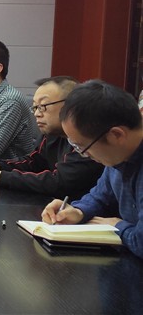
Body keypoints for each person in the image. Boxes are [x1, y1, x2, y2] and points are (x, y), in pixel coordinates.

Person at [41, 80, 143, 259]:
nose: (83, 154)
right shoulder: (117, 156)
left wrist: (117, 226)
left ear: (116, 135)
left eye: (82, 147)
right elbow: (100, 196)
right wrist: (78, 211)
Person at [0, 76, 103, 198]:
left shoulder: (87, 138)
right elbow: (34, 161)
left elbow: (60, 182)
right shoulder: (52, 134)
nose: (37, 114)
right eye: (35, 107)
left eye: (43, 106)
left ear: (70, 105)